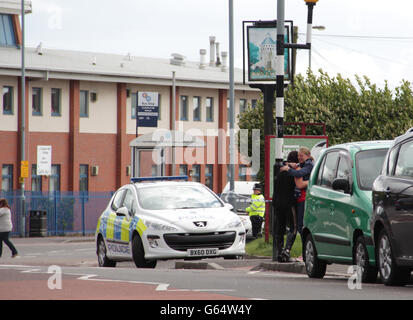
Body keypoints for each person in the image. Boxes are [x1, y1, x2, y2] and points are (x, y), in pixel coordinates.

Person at [280, 147, 314, 239]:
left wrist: (288, 169)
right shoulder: (302, 164)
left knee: (301, 225)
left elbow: (299, 174)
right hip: (299, 198)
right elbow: (282, 165)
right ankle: (304, 251)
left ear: (308, 155)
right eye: (298, 156)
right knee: (299, 226)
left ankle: (304, 251)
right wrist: (290, 164)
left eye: (301, 156)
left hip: (304, 198)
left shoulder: (309, 165)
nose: (299, 157)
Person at [273, 151, 299, 262]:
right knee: (293, 228)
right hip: (289, 203)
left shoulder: (280, 171)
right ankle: (287, 250)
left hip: (277, 203)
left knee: (280, 228)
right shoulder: (292, 172)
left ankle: (279, 251)